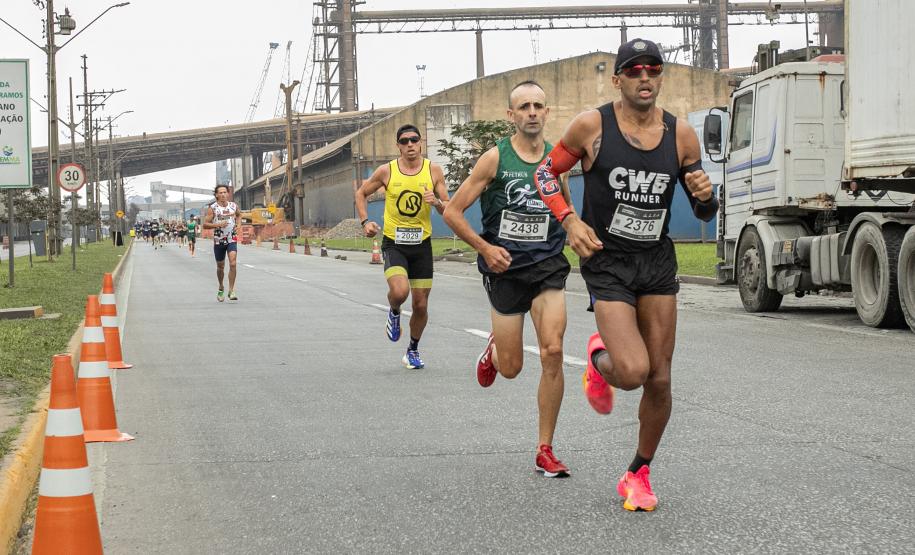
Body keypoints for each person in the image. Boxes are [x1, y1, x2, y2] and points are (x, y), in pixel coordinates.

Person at [534, 38, 718, 510]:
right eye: (634, 70)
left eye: (653, 70)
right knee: (633, 371)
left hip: (656, 261)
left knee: (660, 378)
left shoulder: (681, 136)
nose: (644, 78)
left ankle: (638, 472)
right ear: (618, 79)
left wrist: (705, 195)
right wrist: (570, 220)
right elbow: (544, 175)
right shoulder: (592, 126)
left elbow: (702, 211)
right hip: (607, 260)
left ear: (660, 78)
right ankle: (600, 360)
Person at [443, 80, 573, 477]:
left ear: (547, 112)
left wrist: (577, 233)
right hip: (505, 268)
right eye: (524, 106)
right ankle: (496, 351)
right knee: (513, 367)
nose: (532, 112)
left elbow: (566, 208)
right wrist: (484, 248)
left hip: (548, 263)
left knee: (552, 351)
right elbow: (452, 211)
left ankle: (545, 448)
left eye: (538, 105)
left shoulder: (557, 159)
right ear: (511, 115)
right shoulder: (494, 159)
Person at [354, 124, 449, 369]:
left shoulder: (433, 170)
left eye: (414, 140)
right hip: (395, 243)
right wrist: (365, 221)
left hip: (422, 245)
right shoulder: (387, 171)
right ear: (398, 146)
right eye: (404, 141)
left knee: (420, 304)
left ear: (421, 143)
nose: (409, 145)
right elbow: (361, 193)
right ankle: (394, 310)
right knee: (399, 292)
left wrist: (436, 202)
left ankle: (413, 350)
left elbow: (449, 207)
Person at [203, 185, 241, 302]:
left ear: (228, 194)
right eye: (220, 192)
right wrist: (218, 225)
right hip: (219, 240)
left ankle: (231, 290)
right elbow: (205, 224)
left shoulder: (233, 206)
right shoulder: (213, 208)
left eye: (225, 192)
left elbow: (239, 215)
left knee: (233, 263)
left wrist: (238, 226)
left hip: (231, 238)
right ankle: (221, 287)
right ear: (216, 195)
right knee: (221, 266)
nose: (223, 194)